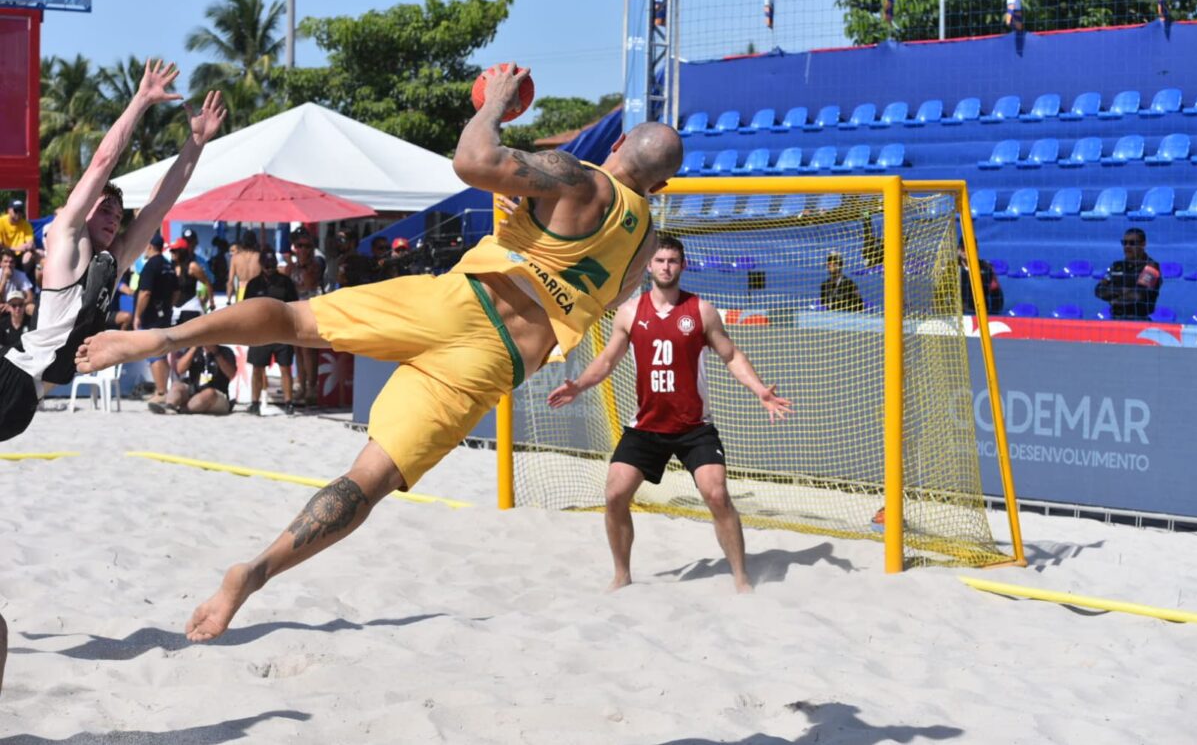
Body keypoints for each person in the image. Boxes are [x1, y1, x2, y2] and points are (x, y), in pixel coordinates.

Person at [76, 63, 683, 642]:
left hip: (457, 299)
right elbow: (578, 292)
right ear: (659, 185)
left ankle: (163, 340)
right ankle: (254, 573)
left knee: (293, 319)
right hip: (496, 359)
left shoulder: (576, 175)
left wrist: (495, 102)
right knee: (366, 483)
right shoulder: (645, 248)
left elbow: (472, 161)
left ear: (621, 139)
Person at [546, 235, 791, 593]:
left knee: (717, 494)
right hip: (646, 427)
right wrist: (579, 385)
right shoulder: (630, 312)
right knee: (614, 494)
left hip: (694, 426)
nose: (665, 266)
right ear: (648, 265)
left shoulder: (701, 311)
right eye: (659, 261)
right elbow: (607, 360)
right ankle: (621, 575)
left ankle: (741, 577)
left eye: (672, 261)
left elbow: (732, 356)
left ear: (683, 265)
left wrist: (760, 391)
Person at [0, 61, 225, 442]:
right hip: (12, 380)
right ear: (83, 209)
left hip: (26, 402)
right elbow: (103, 161)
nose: (112, 218)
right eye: (104, 209)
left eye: (117, 214)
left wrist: (196, 143)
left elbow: (159, 206)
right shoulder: (68, 239)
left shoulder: (112, 261)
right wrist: (141, 100)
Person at [243, 250, 298, 415]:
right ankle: (254, 402)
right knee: (257, 369)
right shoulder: (254, 284)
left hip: (282, 332)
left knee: (285, 368)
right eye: (266, 265)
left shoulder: (285, 282)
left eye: (272, 265)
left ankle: (289, 403)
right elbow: (245, 308)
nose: (269, 268)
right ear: (261, 265)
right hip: (260, 332)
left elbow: (294, 305)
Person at [136, 233, 179, 402]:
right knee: (161, 352)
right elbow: (176, 292)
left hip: (153, 315)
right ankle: (162, 390)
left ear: (150, 246)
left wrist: (138, 315)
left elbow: (145, 293)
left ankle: (161, 392)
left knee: (155, 353)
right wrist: (168, 305)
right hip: (165, 314)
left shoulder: (150, 266)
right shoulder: (168, 265)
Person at [284, 227, 324, 407]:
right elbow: (287, 284)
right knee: (298, 350)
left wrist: (300, 265)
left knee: (308, 350)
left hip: (310, 308)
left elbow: (308, 283)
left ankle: (311, 387)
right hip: (295, 308)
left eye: (307, 246)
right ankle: (301, 384)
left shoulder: (315, 264)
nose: (303, 249)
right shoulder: (292, 266)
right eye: (299, 245)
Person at [151, 343, 237, 415]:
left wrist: (216, 353)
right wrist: (194, 347)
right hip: (195, 392)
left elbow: (231, 374)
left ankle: (182, 410)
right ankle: (170, 406)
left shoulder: (225, 351)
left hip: (217, 396)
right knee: (177, 385)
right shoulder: (194, 350)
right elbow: (180, 369)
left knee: (209, 393)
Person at [1095, 227, 1161, 321]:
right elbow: (1099, 290)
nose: (1127, 246)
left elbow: (1138, 295)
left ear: (1143, 244)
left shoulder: (1152, 267)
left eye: (1132, 243)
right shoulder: (1117, 266)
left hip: (1138, 321)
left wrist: (1114, 295)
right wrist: (1124, 291)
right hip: (1115, 319)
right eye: (1124, 243)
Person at [169, 235, 216, 324]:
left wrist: (211, 302)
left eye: (175, 251)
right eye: (171, 250)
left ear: (182, 252)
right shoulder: (171, 267)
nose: (172, 253)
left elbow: (207, 282)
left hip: (190, 306)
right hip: (174, 308)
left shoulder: (192, 266)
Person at [959, 239, 1003, 316]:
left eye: (969, 248)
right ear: (958, 250)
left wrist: (992, 315)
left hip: (980, 314)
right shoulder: (951, 268)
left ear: (976, 250)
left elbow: (996, 296)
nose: (965, 251)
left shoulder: (986, 268)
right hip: (958, 315)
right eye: (963, 248)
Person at [0, 199, 37, 276]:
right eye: (16, 211)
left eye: (20, 211)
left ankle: (25, 278)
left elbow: (30, 243)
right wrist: (16, 248)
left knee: (32, 254)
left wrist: (29, 246)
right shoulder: (1, 222)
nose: (19, 213)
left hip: (20, 255)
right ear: (8, 210)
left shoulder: (26, 224)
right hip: (3, 253)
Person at [226, 230, 262, 303]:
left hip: (242, 291)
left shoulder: (235, 258)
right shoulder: (260, 257)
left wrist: (229, 299)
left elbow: (230, 281)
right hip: (257, 291)